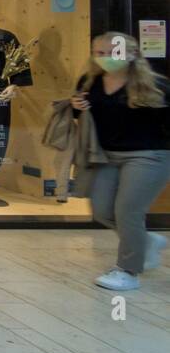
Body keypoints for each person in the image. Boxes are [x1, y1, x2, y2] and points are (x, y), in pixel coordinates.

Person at [70, 32, 170, 290]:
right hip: (106, 155)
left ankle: (128, 270)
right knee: (102, 210)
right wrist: (75, 106)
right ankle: (145, 242)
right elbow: (76, 112)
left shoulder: (155, 85)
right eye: (99, 53)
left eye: (112, 52)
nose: (105, 58)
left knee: (128, 210)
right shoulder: (90, 82)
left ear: (132, 54)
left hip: (148, 155)